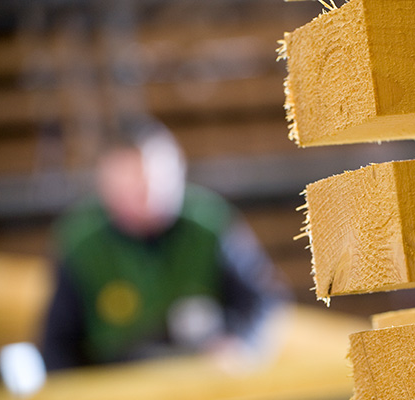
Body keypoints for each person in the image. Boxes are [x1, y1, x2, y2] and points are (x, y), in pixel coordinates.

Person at [41, 118, 291, 370]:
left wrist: (242, 345)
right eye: (131, 185)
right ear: (106, 186)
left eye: (156, 180)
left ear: (178, 172)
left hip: (202, 373)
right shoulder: (81, 243)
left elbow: (263, 298)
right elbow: (58, 343)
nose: (147, 195)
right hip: (122, 381)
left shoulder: (210, 225)